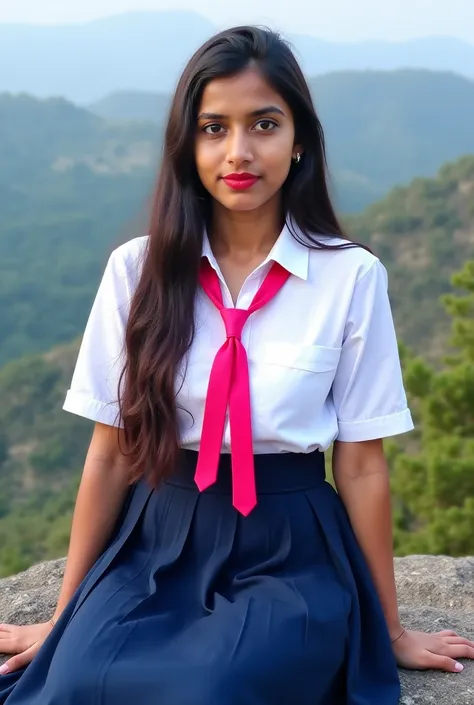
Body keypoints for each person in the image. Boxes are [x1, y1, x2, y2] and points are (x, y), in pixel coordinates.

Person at [0, 25, 473, 705]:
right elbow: (108, 455)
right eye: (213, 128)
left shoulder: (351, 277)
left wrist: (388, 625)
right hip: (156, 537)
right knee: (78, 681)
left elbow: (363, 463)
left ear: (299, 139)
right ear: (187, 145)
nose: (239, 151)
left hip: (292, 548)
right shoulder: (136, 272)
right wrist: (67, 614)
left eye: (264, 124)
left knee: (214, 686)